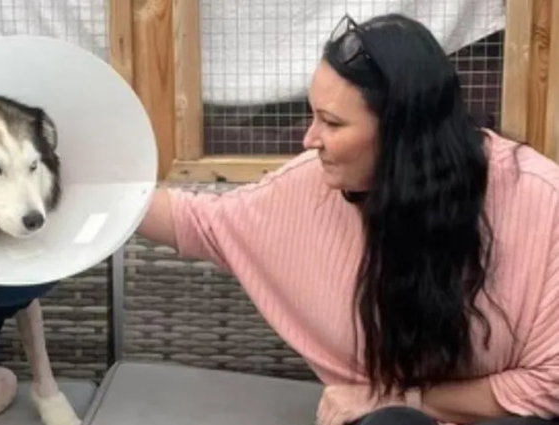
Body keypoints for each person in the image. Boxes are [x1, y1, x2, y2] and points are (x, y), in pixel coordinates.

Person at [136, 12, 559, 425]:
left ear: (401, 135)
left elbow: (550, 385)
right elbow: (200, 221)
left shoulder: (540, 200)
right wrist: (88, 192)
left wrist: (402, 398)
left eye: (332, 122)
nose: (309, 139)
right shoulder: (311, 189)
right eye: (313, 114)